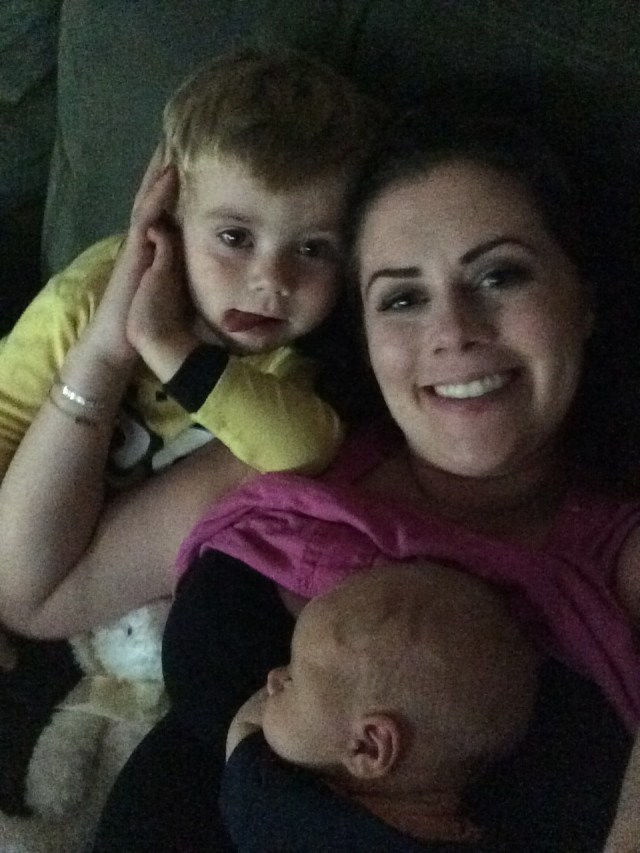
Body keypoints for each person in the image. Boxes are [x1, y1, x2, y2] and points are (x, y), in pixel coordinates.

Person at [93, 110, 638, 852]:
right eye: (402, 298)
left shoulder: (619, 559)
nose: (453, 331)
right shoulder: (299, 461)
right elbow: (31, 587)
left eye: (500, 275)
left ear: (585, 299)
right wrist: (114, 343)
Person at [0, 45, 383, 639]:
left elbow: (303, 448)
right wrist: (108, 349)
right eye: (234, 237)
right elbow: (4, 420)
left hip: (108, 575)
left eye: (312, 249)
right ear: (169, 215)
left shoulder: (295, 356)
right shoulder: (86, 298)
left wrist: (167, 346)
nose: (271, 281)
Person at [222, 563, 539, 852]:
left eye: (293, 678)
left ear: (368, 746)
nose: (274, 678)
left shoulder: (282, 815)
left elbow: (245, 731)